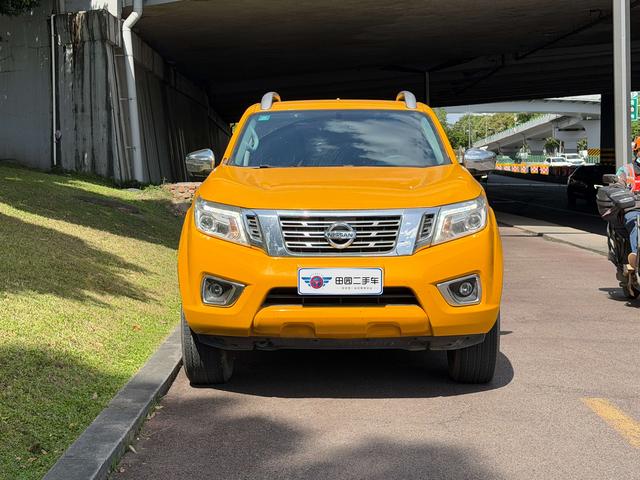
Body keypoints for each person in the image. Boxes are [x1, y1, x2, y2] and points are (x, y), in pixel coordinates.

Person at [617, 137, 640, 268]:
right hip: (633, 208)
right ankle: (636, 258)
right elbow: (616, 187)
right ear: (636, 152)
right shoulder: (626, 170)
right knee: (636, 223)